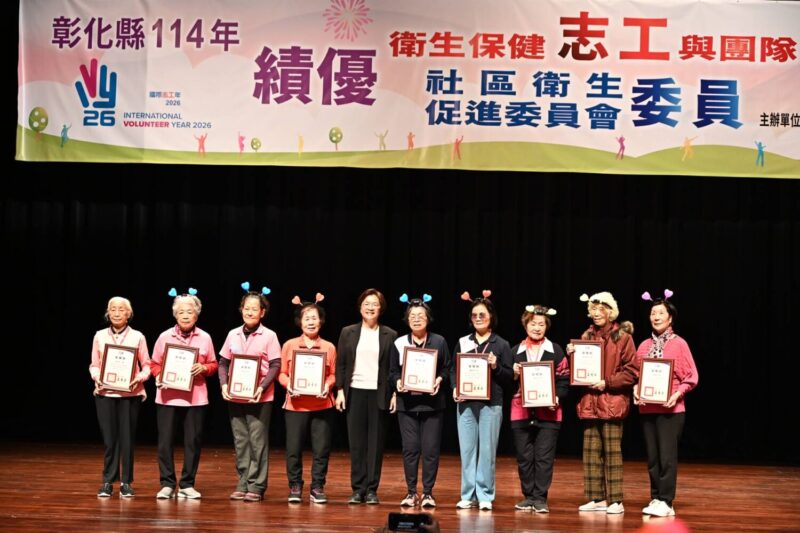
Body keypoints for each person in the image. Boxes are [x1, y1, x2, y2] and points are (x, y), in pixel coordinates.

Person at [568, 291, 638, 514]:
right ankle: (597, 498)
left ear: (610, 312)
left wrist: (607, 383)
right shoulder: (585, 337)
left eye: (601, 309)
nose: (596, 313)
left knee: (612, 453)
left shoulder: (623, 337)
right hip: (590, 401)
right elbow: (577, 372)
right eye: (593, 309)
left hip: (612, 402)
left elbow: (632, 372)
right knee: (591, 452)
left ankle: (616, 500)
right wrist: (572, 355)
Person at [635, 290, 699, 518]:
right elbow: (637, 376)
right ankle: (655, 497)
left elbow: (691, 376)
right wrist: (636, 389)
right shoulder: (643, 346)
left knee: (667, 457)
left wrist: (678, 394)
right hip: (647, 408)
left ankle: (666, 501)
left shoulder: (679, 344)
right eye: (653, 313)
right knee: (653, 458)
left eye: (661, 313)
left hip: (671, 409)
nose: (656, 317)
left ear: (670, 318)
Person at [150, 290, 218, 500]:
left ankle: (187, 484)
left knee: (193, 442)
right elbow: (154, 363)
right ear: (175, 315)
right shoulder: (164, 336)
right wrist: (159, 374)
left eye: (190, 311)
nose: (185, 315)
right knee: (165, 442)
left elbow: (214, 364)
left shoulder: (205, 337)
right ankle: (167, 484)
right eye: (181, 312)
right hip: (167, 396)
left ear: (196, 315)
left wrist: (204, 368)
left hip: (196, 397)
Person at [450, 290, 513, 511]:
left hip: (491, 404)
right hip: (466, 403)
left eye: (482, 315)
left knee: (487, 451)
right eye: (474, 315)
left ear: (491, 317)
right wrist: (455, 387)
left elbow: (509, 378)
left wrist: (496, 366)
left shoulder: (501, 344)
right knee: (467, 450)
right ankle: (468, 494)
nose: (478, 318)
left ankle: (485, 494)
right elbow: (453, 370)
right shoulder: (463, 342)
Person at [218, 286, 281, 502]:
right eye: (247, 308)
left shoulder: (269, 336)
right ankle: (243, 482)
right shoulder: (232, 334)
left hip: (260, 396)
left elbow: (275, 365)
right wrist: (224, 385)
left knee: (257, 441)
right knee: (241, 440)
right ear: (241, 310)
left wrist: (262, 387)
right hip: (235, 395)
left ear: (262, 312)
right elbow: (223, 362)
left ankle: (257, 485)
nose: (250, 312)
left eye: (255, 309)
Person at [336, 288, 398, 504]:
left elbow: (393, 368)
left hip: (379, 393)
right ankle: (357, 489)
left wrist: (394, 394)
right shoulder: (348, 332)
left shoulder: (390, 334)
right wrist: (340, 390)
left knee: (376, 444)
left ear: (381, 308)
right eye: (366, 304)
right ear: (360, 307)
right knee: (356, 444)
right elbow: (341, 364)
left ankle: (371, 489)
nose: (370, 308)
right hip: (355, 391)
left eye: (375, 304)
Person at [389, 294, 451, 508]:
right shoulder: (399, 343)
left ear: (428, 318)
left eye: (421, 315)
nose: (416, 319)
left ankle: (428, 493)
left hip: (433, 404)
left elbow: (447, 368)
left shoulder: (439, 341)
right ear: (407, 320)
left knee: (431, 450)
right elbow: (392, 372)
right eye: (412, 316)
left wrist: (439, 380)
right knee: (410, 449)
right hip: (407, 404)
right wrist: (398, 382)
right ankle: (411, 492)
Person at [89, 296, 151, 498]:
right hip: (105, 393)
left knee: (127, 439)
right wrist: (97, 377)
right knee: (109, 440)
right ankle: (107, 481)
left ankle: (126, 482)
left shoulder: (138, 336)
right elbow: (94, 365)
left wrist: (139, 378)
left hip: (130, 394)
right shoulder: (99, 336)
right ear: (108, 313)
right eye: (113, 309)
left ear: (128, 314)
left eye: (121, 309)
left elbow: (147, 365)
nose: (116, 313)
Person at [510, 304, 569, 513]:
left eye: (541, 324)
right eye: (533, 324)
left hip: (549, 412)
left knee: (544, 457)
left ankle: (540, 498)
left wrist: (556, 397)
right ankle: (528, 496)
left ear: (547, 326)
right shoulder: (515, 352)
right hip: (520, 411)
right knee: (524, 457)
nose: (537, 328)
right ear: (525, 325)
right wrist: (513, 374)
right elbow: (504, 383)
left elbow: (564, 380)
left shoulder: (556, 351)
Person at [279, 294, 337, 504]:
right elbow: (282, 373)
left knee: (321, 450)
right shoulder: (289, 345)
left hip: (322, 405)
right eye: (307, 318)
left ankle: (317, 486)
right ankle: (295, 485)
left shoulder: (329, 347)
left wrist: (327, 386)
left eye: (314, 318)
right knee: (293, 450)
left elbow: (333, 375)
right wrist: (289, 385)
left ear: (320, 321)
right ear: (300, 322)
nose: (311, 322)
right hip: (295, 405)